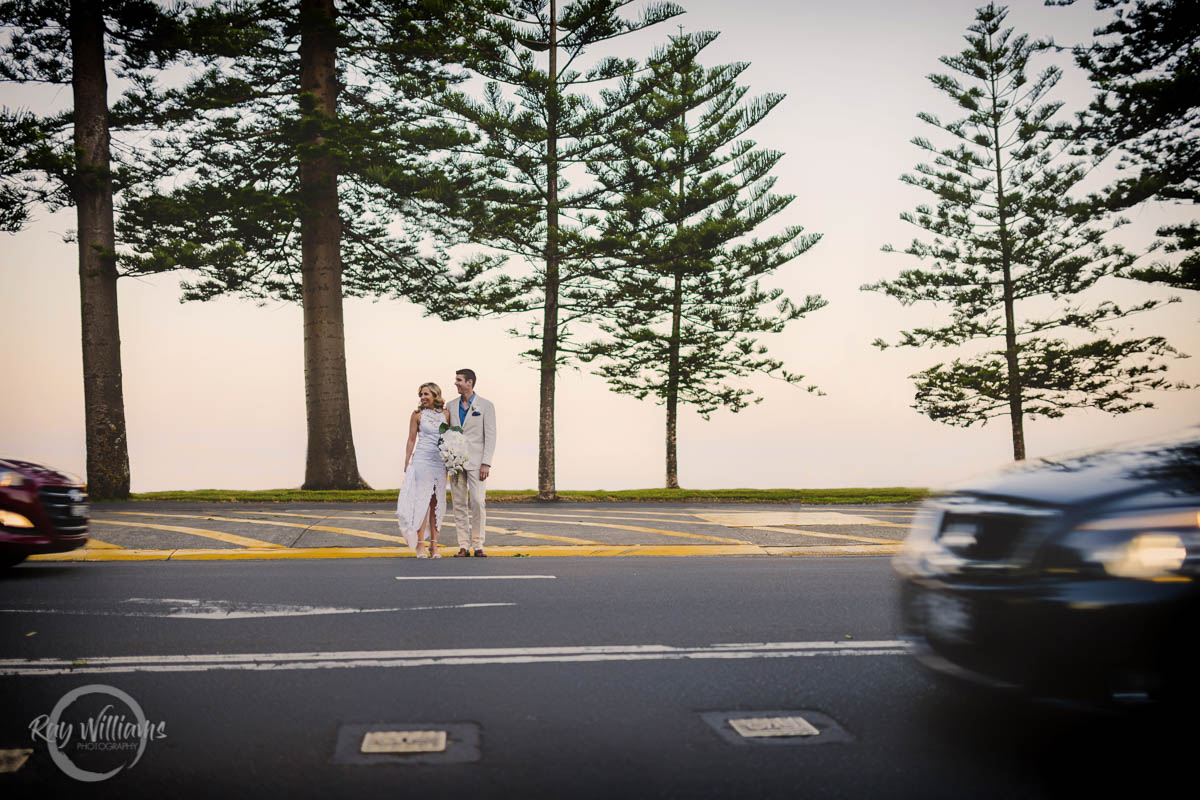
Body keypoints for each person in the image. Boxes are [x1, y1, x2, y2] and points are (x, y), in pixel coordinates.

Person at [396, 382, 452, 559]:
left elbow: (451, 438)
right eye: (421, 394)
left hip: (440, 462)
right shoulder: (417, 415)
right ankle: (420, 545)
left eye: (426, 394)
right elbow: (411, 439)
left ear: (435, 395)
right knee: (422, 502)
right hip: (422, 460)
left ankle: (434, 547)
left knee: (437, 503)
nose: (422, 397)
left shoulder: (446, 414)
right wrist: (407, 461)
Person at [449, 368, 496, 557]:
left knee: (477, 501)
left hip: (478, 462)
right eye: (456, 380)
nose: (456, 383)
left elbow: (490, 436)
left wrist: (486, 463)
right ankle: (463, 545)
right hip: (455, 463)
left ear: (470, 382)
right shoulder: (451, 405)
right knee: (458, 503)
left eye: (459, 380)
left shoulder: (486, 405)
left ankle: (478, 545)